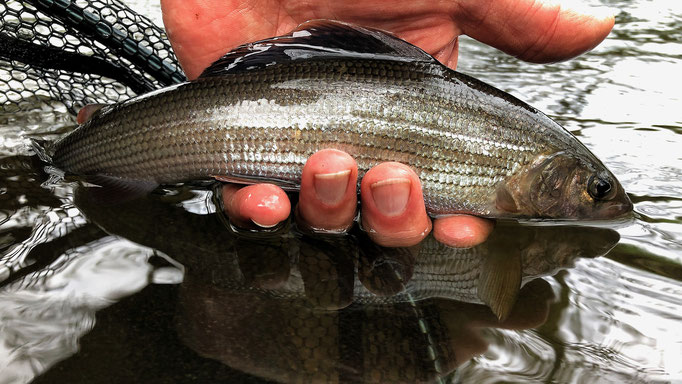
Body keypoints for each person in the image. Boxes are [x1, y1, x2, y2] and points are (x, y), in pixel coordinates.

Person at [160, 0, 615, 248]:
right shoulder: (531, 141)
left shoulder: (529, 133)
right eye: (598, 190)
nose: (604, 200)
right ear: (555, 172)